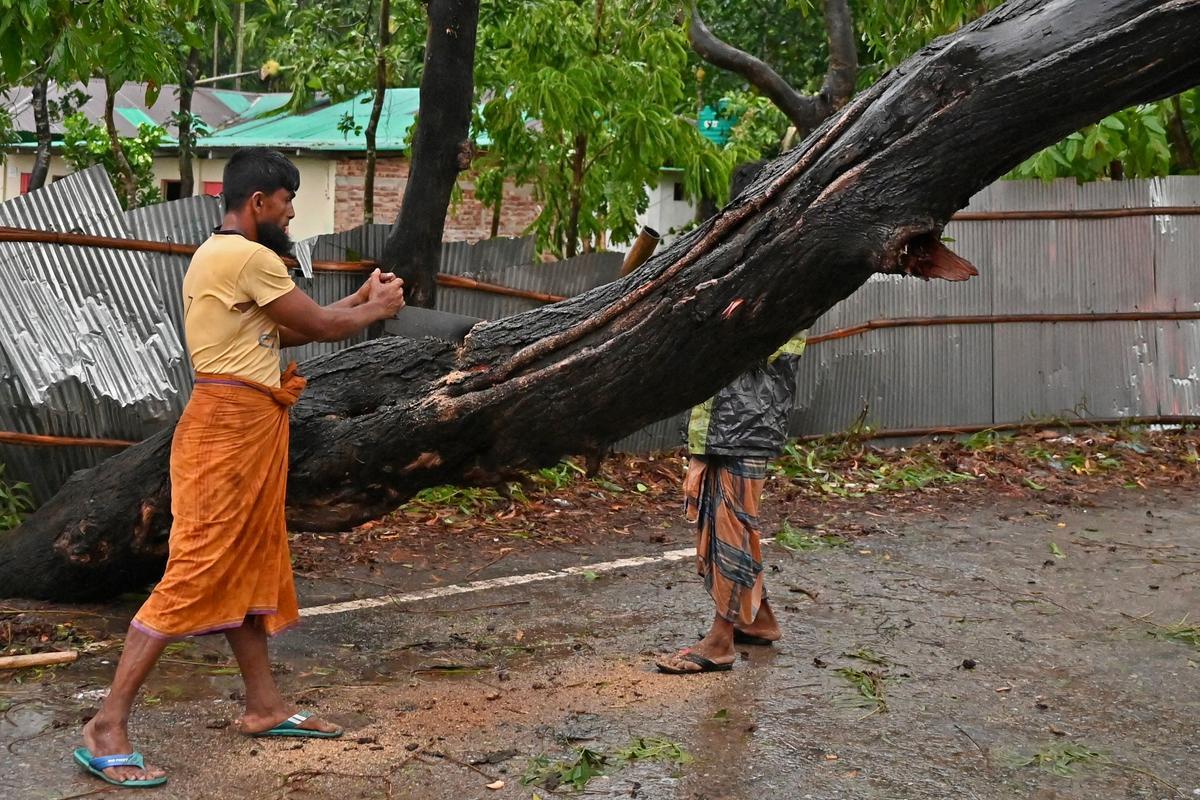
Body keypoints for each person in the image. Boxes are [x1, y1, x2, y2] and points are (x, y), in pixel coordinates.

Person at [74, 147, 407, 787]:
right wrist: (375, 311)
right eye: (287, 202)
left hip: (248, 427)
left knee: (253, 562)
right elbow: (318, 323)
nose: (290, 213)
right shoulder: (248, 255)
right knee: (196, 567)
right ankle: (106, 724)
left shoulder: (219, 256)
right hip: (225, 429)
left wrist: (361, 298)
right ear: (258, 202)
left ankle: (264, 707)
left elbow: (288, 329)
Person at [656, 331, 807, 674]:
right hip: (719, 422)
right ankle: (758, 621)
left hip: (747, 421)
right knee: (728, 523)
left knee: (731, 528)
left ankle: (721, 641)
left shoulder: (780, 289)